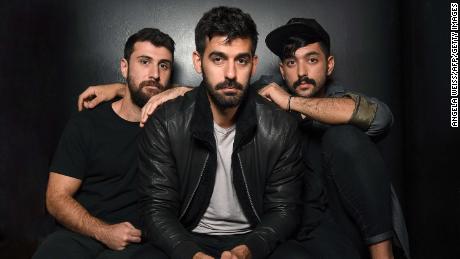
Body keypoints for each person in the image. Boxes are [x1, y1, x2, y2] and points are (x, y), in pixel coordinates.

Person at [135, 6, 305, 259]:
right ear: (197, 61)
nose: (230, 74)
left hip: (254, 236)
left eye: (242, 60)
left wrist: (249, 250)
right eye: (218, 59)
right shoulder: (166, 122)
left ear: (254, 64)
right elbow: (156, 209)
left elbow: (285, 211)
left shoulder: (280, 127)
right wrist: (191, 254)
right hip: (187, 235)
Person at [259, 18, 409, 259]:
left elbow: (381, 118)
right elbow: (222, 96)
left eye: (312, 60)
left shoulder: (340, 100)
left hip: (351, 231)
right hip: (296, 236)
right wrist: (178, 92)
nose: (301, 72)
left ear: (329, 66)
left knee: (344, 134)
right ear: (282, 71)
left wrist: (291, 102)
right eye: (291, 62)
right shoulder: (265, 98)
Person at [32, 28, 175, 259]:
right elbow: (56, 198)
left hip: (138, 243)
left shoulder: (173, 128)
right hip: (80, 233)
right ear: (124, 67)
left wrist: (177, 90)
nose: (155, 74)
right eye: (144, 62)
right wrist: (103, 231)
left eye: (164, 65)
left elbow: (215, 97)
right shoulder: (87, 123)